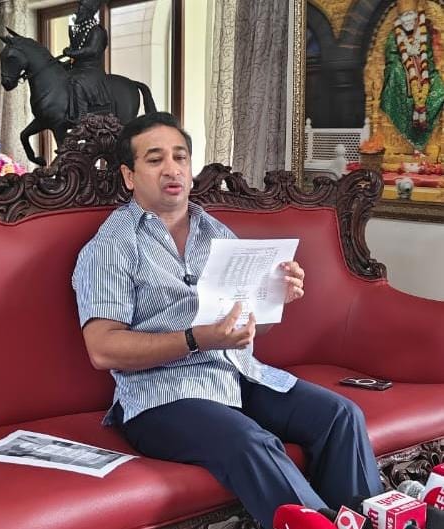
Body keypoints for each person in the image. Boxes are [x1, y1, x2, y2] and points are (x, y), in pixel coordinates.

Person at [72, 112, 383, 528]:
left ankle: (371, 519)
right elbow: (102, 348)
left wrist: (275, 297)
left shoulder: (216, 233)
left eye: (180, 157)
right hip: (160, 398)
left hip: (235, 375)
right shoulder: (111, 247)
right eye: (155, 159)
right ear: (129, 176)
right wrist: (195, 339)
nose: (172, 169)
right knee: (251, 441)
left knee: (342, 416)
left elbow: (247, 327)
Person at [380, 0, 444, 150]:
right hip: (403, 72)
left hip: (426, 72)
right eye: (403, 16)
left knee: (440, 91)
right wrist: (404, 66)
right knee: (395, 75)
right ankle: (401, 143)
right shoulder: (394, 35)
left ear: (416, 15)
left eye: (409, 14)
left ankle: (433, 143)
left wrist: (423, 66)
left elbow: (430, 56)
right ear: (399, 18)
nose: (407, 19)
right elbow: (391, 57)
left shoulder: (424, 32)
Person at [63, 0, 111, 121]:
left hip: (91, 70)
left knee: (76, 82)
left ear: (89, 11)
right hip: (77, 67)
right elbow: (75, 46)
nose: (78, 10)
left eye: (82, 7)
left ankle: (81, 117)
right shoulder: (79, 30)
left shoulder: (97, 31)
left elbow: (91, 50)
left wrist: (72, 53)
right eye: (79, 7)